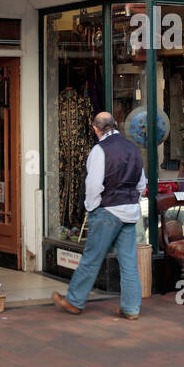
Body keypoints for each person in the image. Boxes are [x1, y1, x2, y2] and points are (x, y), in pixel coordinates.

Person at [53, 111, 146, 320]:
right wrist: (132, 201)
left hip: (107, 210)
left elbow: (94, 185)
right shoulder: (133, 149)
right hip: (129, 212)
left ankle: (75, 301)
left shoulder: (99, 150)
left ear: (96, 129)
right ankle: (131, 309)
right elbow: (141, 183)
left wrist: (91, 207)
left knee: (91, 258)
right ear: (115, 125)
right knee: (129, 263)